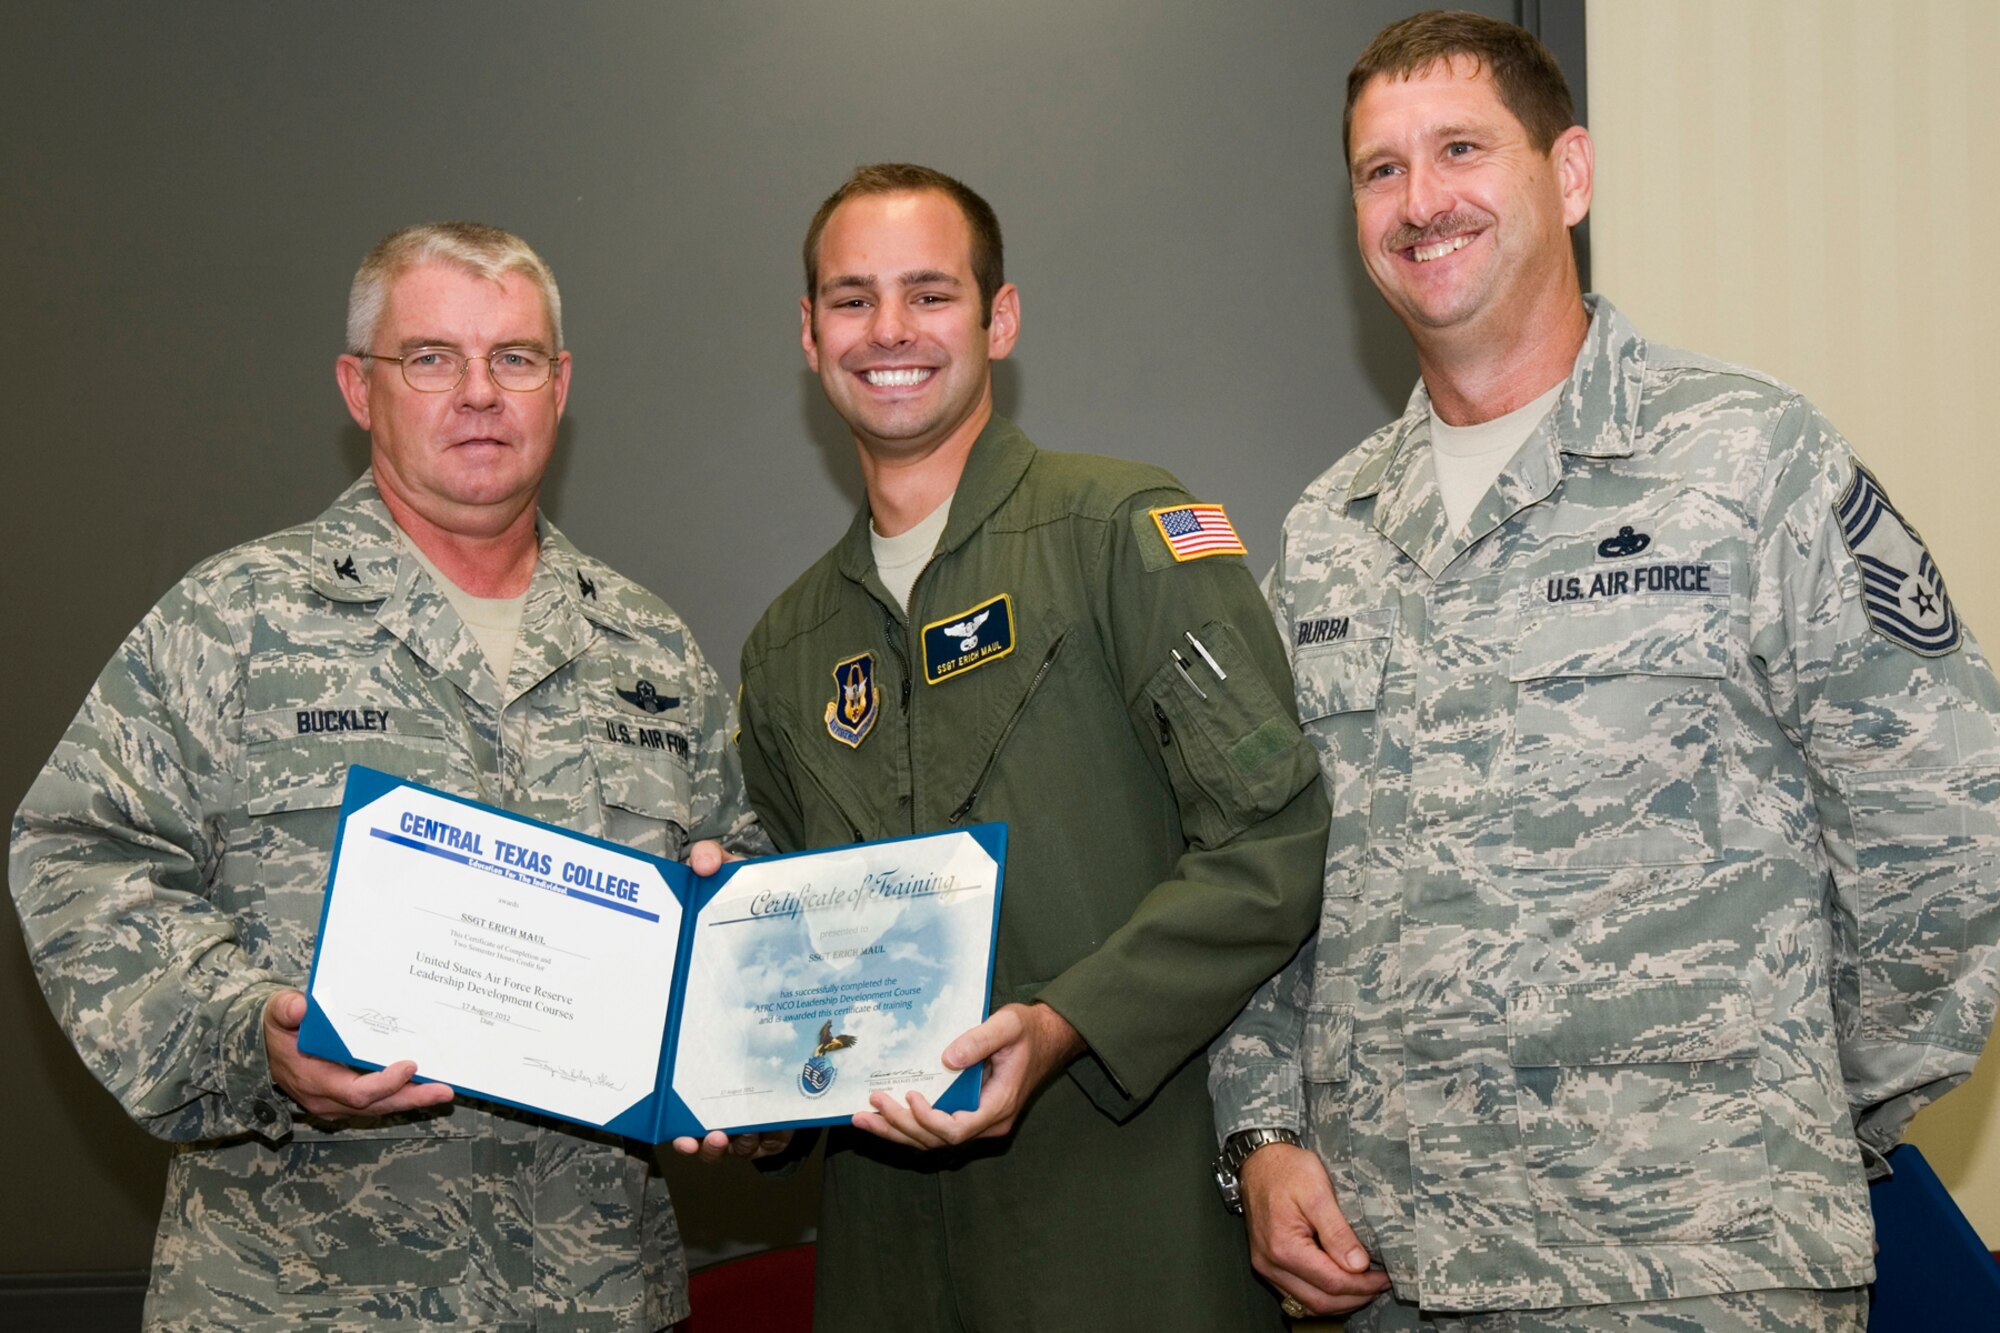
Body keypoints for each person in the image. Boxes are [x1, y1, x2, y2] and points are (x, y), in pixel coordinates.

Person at [1208, 11, 2000, 1331]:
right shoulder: (1329, 533)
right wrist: (1262, 1132)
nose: (1420, 201)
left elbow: (1950, 820)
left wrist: (1779, 1105)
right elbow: (1265, 876)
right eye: (1380, 169)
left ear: (1570, 174)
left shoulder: (1750, 460)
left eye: (1461, 148)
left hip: (1691, 1270)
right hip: (1388, 1274)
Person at [10, 222, 762, 1332]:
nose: (477, 393)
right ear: (359, 389)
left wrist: (735, 973)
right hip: (296, 1292)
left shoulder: (650, 652)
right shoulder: (239, 618)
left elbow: (736, 881)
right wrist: (238, 1030)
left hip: (591, 1290)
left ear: (558, 387)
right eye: (430, 358)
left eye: (512, 358)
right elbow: (79, 853)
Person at [728, 163, 1330, 1330]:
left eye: (929, 293)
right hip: (888, 1264)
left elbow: (1273, 840)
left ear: (998, 318)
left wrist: (1064, 1023)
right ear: (807, 337)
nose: (888, 330)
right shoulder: (785, 645)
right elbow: (794, 945)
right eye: (850, 299)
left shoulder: (1122, 534)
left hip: (1125, 1234)